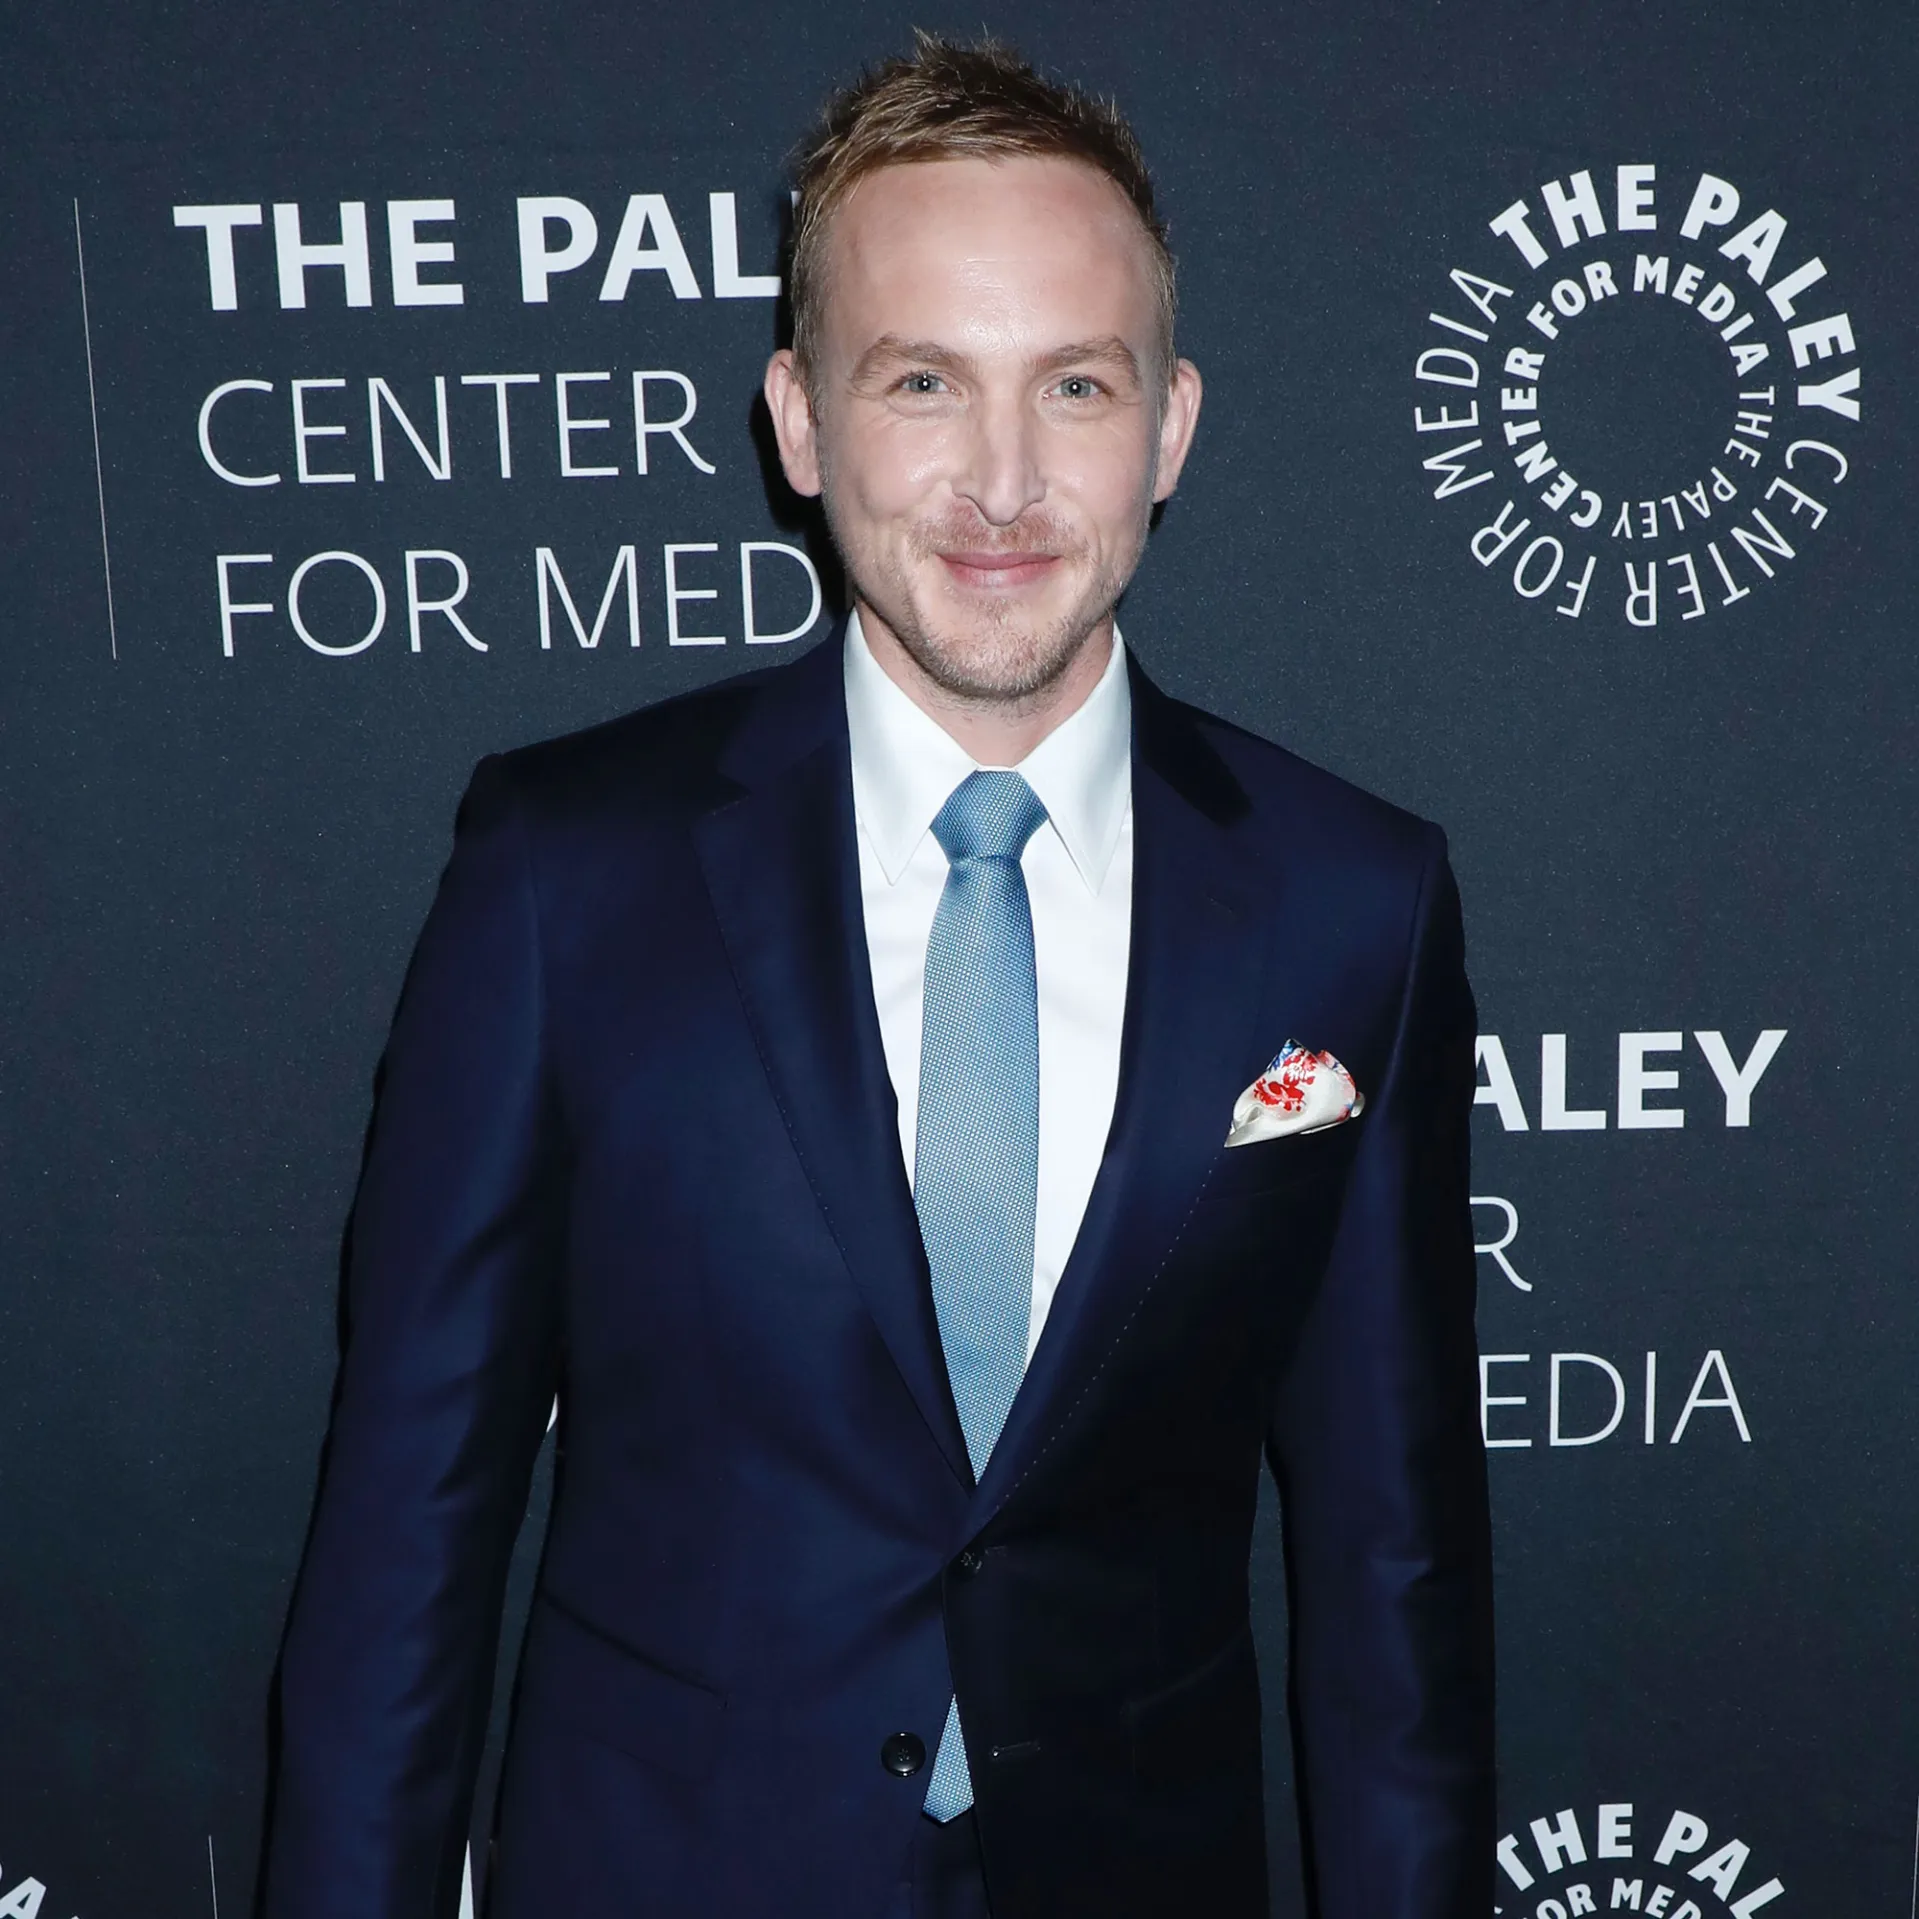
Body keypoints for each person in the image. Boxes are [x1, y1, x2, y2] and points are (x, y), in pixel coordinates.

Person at [262, 33, 1493, 1919]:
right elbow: (404, 1532)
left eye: (1073, 385)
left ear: (1167, 427)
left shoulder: (1352, 899)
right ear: (800, 420)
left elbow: (1392, 1562)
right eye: (922, 381)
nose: (1003, 484)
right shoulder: (564, 872)